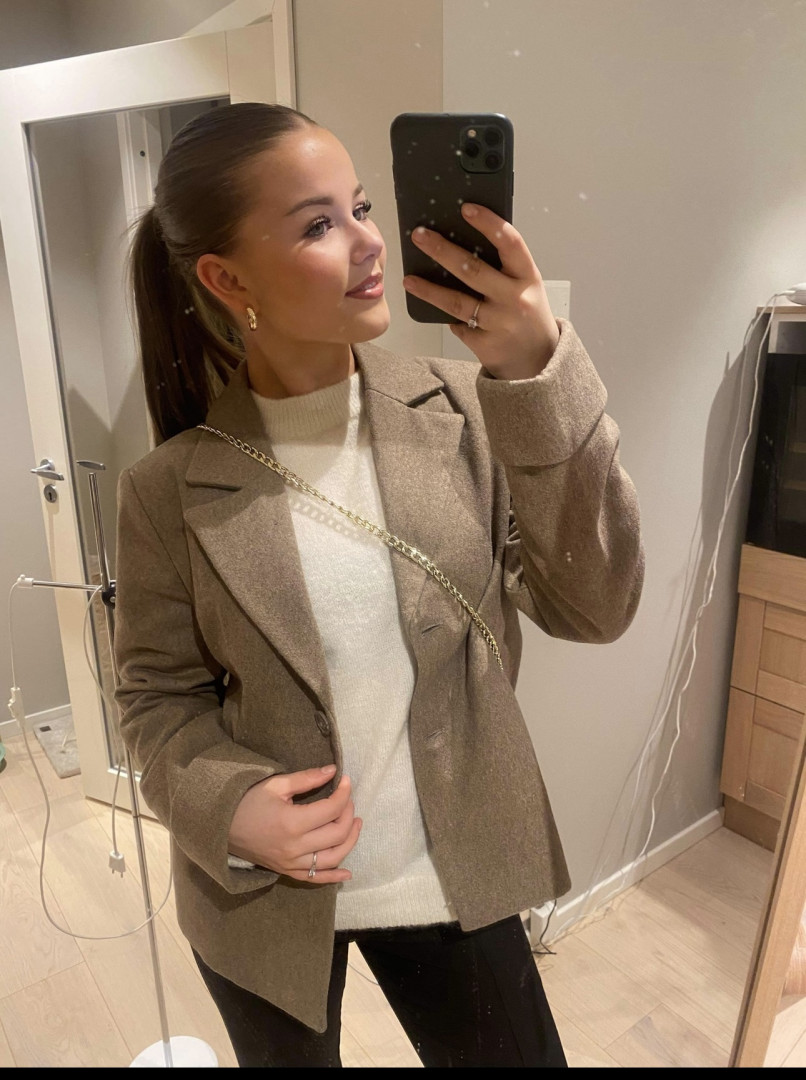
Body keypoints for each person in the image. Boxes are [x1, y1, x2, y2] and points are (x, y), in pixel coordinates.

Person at [114, 101, 644, 1069]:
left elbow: (594, 605)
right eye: (317, 224)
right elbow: (155, 697)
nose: (368, 242)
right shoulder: (168, 487)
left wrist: (537, 376)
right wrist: (228, 806)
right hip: (264, 897)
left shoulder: (469, 410)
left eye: (360, 207)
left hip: (455, 873)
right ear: (228, 279)